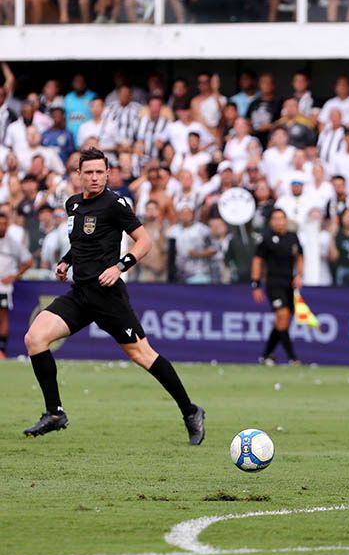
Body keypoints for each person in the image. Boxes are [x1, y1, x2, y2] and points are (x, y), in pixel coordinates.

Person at [22, 148, 205, 444]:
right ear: (79, 175)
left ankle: (191, 411)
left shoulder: (115, 204)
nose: (94, 178)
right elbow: (83, 241)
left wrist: (120, 267)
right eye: (89, 172)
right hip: (80, 294)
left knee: (142, 355)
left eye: (100, 172)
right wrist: (67, 260)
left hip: (108, 296)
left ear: (107, 174)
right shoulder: (73, 205)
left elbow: (143, 242)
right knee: (35, 338)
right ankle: (55, 412)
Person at [251, 208, 303, 366]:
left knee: (283, 322)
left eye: (281, 218)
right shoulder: (266, 239)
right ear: (271, 221)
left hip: (289, 284)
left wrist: (300, 275)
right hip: (274, 283)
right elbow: (257, 260)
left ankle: (266, 355)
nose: (279, 221)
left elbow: (300, 256)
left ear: (286, 220)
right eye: (275, 218)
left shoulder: (293, 237)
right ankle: (292, 358)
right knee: (283, 315)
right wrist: (256, 284)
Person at [0, 213, 33, 359]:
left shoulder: (12, 243)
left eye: (4, 224)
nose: (2, 227)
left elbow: (28, 261)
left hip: (3, 286)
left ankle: (1, 350)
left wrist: (14, 276)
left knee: (3, 317)